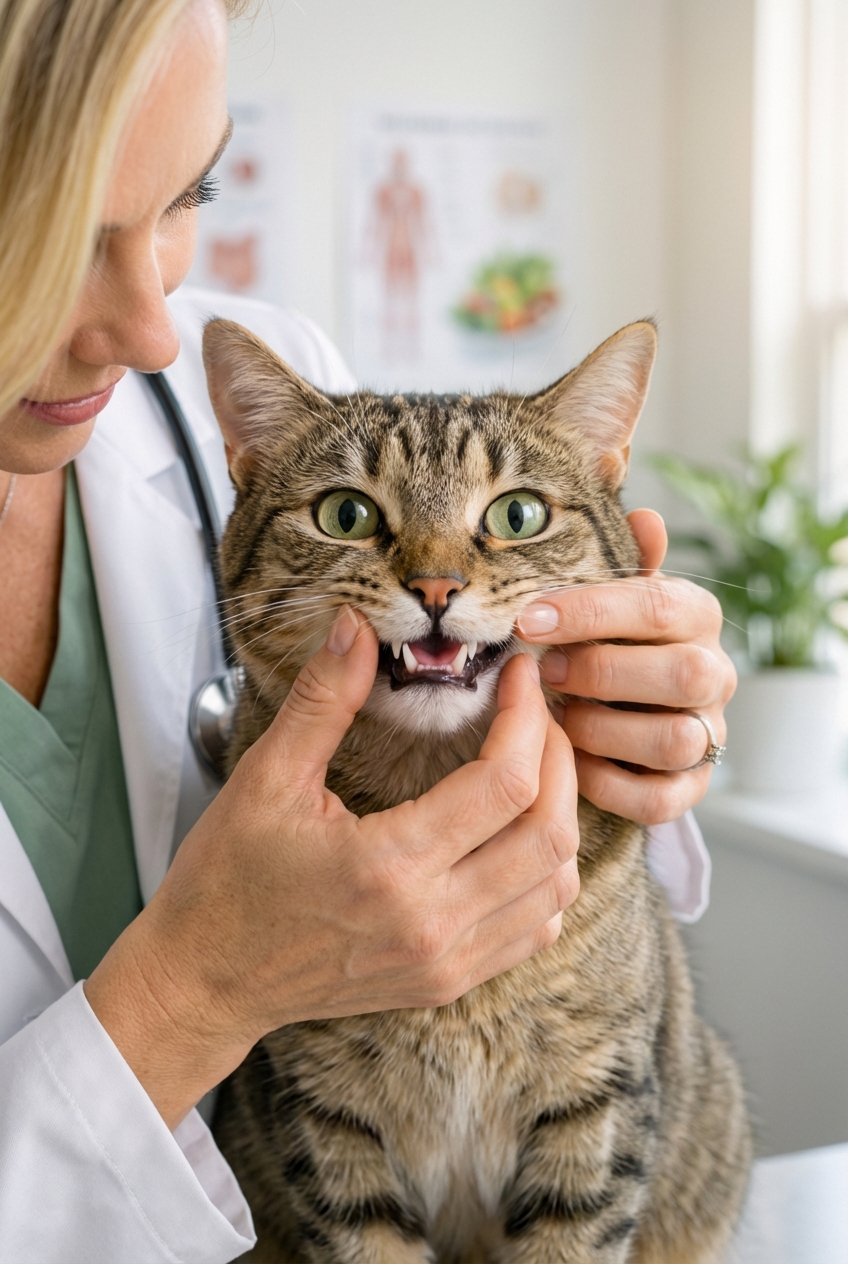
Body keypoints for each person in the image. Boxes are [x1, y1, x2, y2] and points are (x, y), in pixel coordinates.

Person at [0, 1, 735, 1260]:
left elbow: (601, 988)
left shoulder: (276, 384)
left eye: (190, 193)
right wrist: (203, 987)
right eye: (46, 234)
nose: (155, 333)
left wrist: (631, 733)